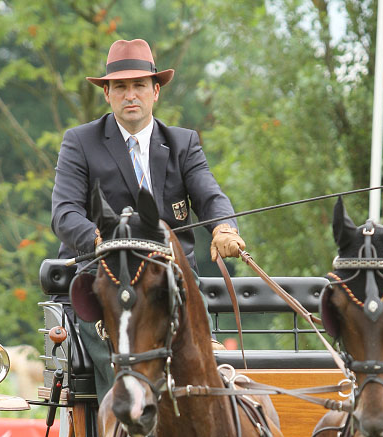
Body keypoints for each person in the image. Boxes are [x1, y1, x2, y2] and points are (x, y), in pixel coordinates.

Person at [51, 37, 246, 400]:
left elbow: (209, 194)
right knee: (128, 373)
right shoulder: (80, 142)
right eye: (120, 87)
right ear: (107, 94)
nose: (130, 95)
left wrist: (224, 227)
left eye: (139, 85)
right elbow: (64, 213)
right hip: (108, 282)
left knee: (204, 374)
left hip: (173, 281)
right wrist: (101, 241)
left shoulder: (183, 143)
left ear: (155, 91)